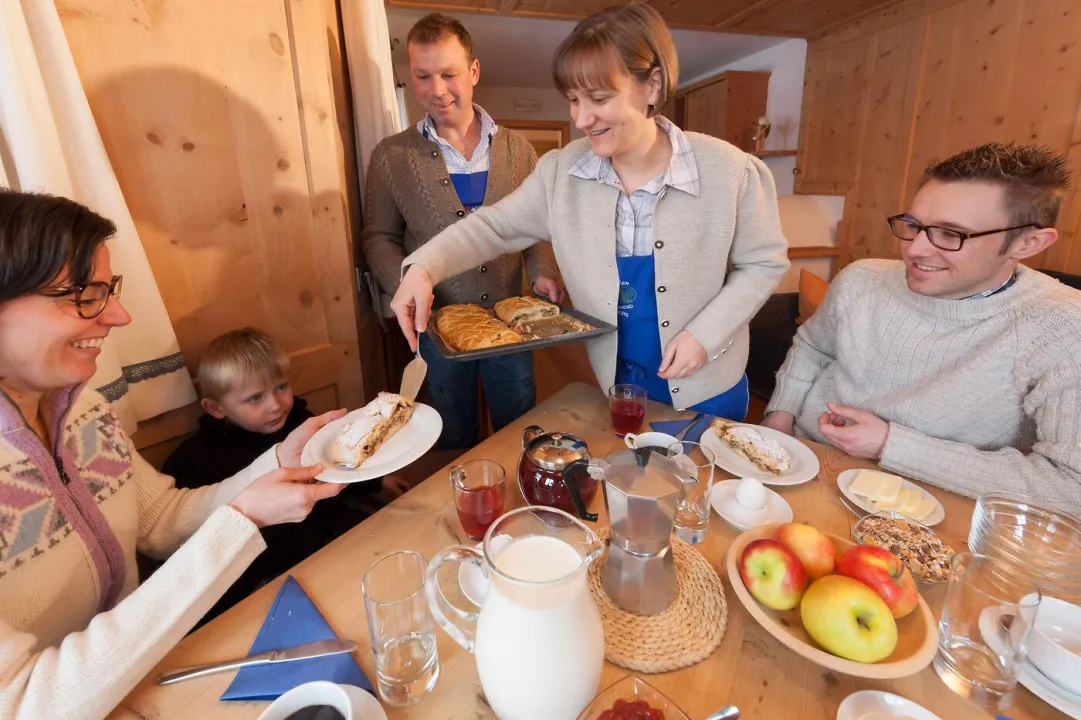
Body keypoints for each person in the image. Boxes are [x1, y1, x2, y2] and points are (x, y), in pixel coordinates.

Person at [0, 190, 347, 719]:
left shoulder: (83, 407)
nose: (118, 315)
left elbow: (161, 521)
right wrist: (242, 522)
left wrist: (278, 461)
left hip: (151, 679)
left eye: (108, 289)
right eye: (85, 294)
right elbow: (26, 703)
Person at [389, 2, 789, 418]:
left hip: (709, 383)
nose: (581, 117)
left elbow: (763, 264)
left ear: (652, 86)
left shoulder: (731, 171)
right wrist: (423, 267)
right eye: (573, 99)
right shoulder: (562, 173)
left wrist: (704, 336)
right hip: (618, 385)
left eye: (598, 98)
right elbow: (494, 226)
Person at [761, 142, 1081, 513]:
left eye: (950, 234)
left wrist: (890, 445)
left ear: (1029, 242)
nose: (914, 250)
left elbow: (1069, 486)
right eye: (913, 226)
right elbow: (813, 347)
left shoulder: (1063, 328)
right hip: (804, 465)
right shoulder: (862, 279)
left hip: (928, 512)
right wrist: (779, 419)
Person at [362, 13, 562, 449]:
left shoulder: (519, 151)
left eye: (449, 74)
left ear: (473, 72)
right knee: (449, 427)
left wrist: (542, 270)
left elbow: (536, 226)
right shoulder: (391, 157)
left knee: (518, 422)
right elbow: (378, 236)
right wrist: (407, 283)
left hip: (509, 324)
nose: (436, 90)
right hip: (435, 326)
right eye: (422, 76)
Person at [161, 328, 408, 622]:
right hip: (273, 560)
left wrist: (378, 481)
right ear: (216, 408)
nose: (275, 405)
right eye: (255, 398)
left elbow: (332, 467)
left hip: (329, 529)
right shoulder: (195, 461)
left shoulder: (299, 421)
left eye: (280, 387)